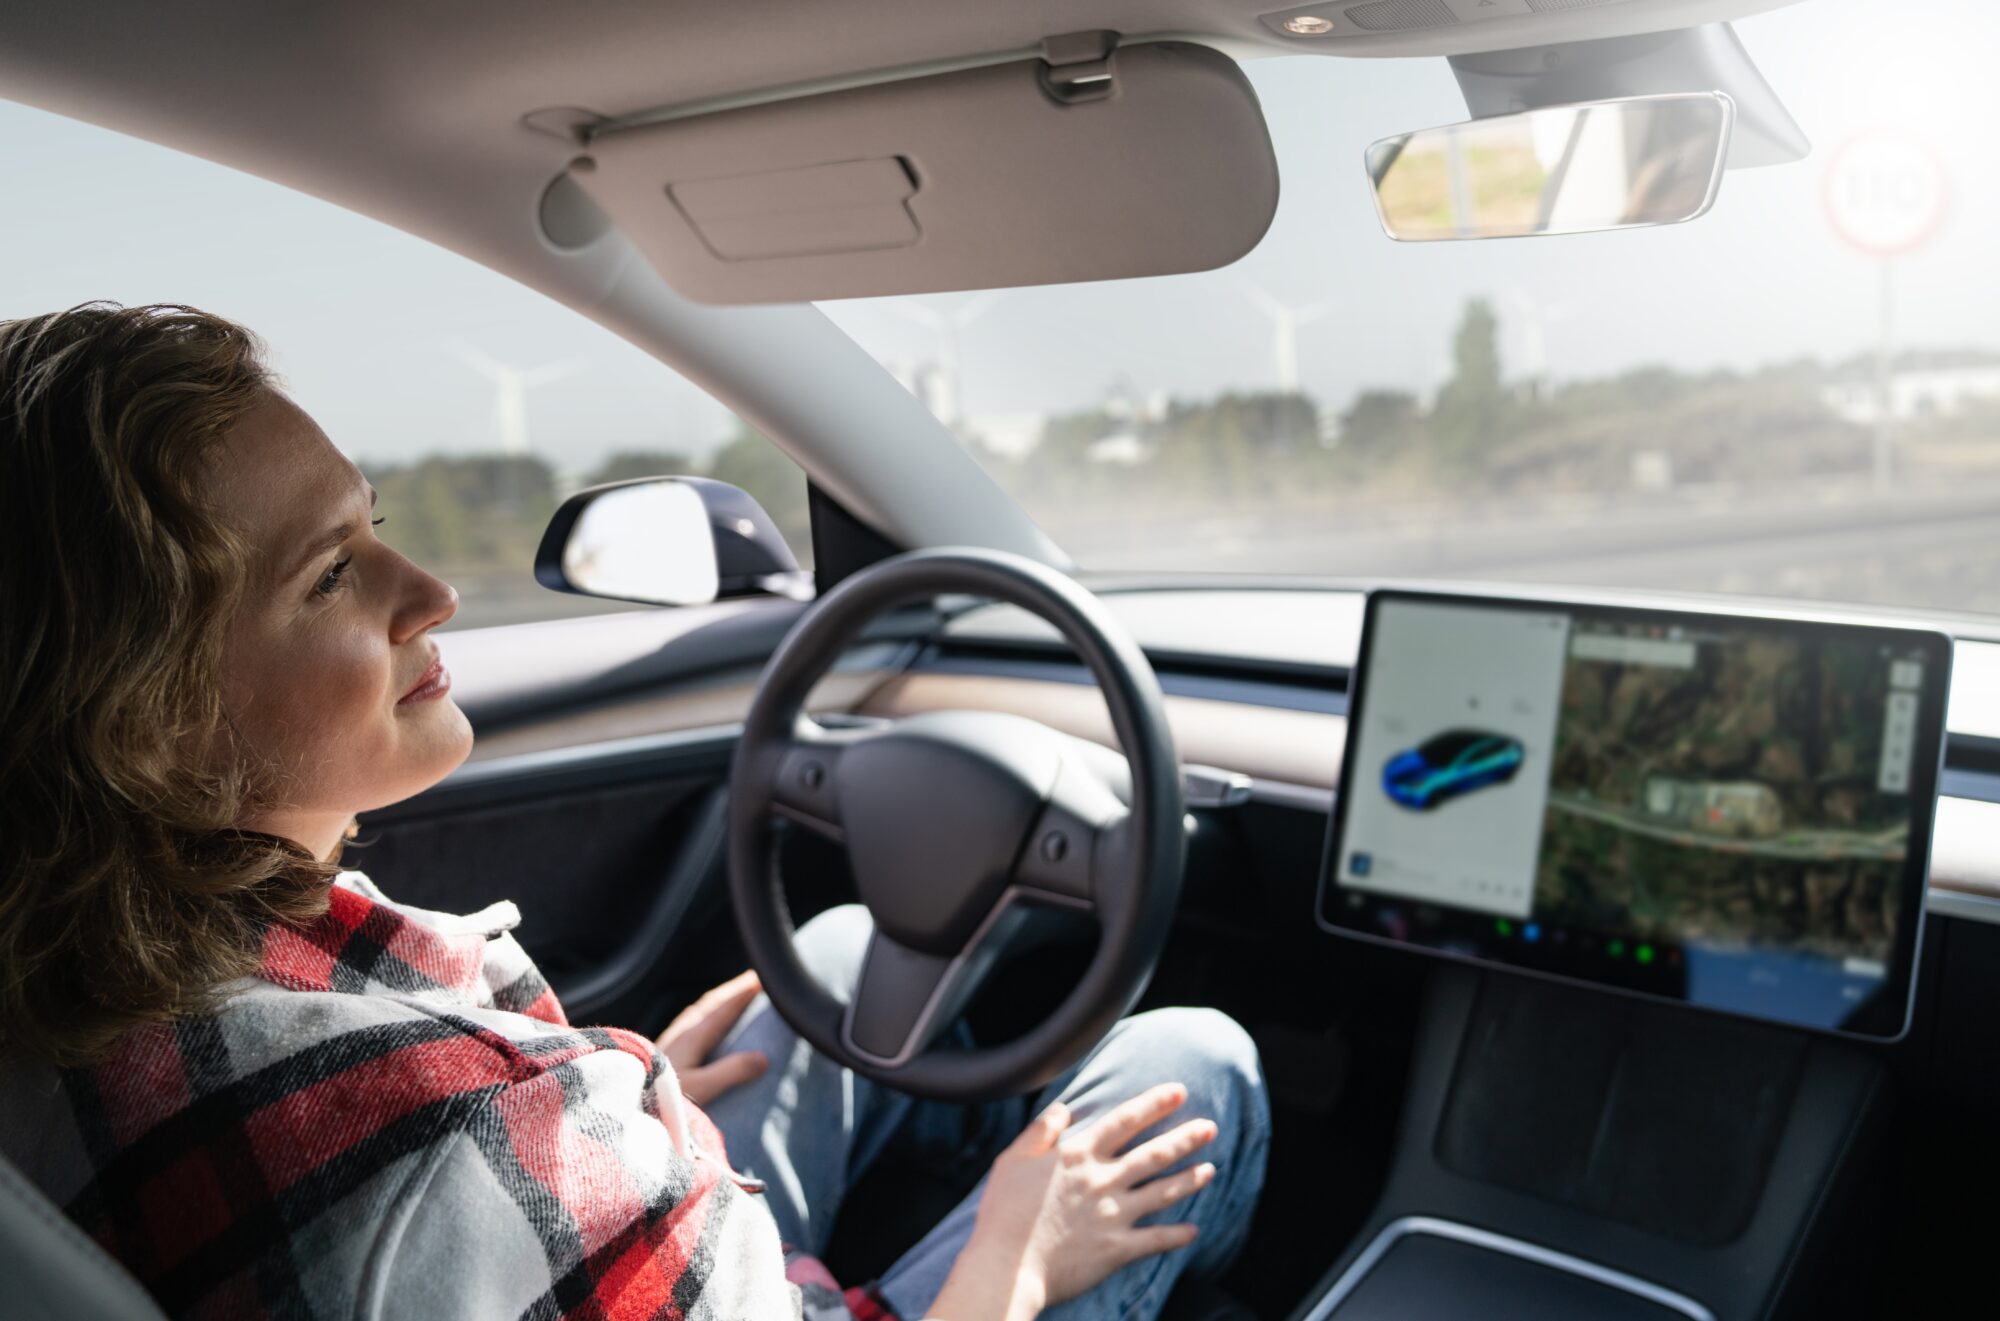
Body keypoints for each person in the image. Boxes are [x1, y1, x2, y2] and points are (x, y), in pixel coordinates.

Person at [0, 303, 1270, 1320]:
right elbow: (442, 1151)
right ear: (143, 718)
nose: (432, 589)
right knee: (1194, 1062)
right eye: (332, 571)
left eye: (373, 526)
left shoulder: (74, 979)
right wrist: (1020, 1253)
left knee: (820, 970)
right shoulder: (447, 1127)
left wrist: (616, 1104)